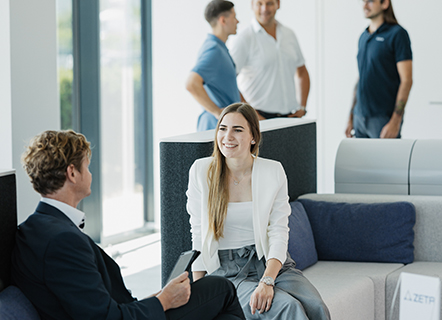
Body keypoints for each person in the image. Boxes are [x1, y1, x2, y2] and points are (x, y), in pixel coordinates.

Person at [12, 129, 245, 320]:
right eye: (87, 166)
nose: (90, 173)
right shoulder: (62, 240)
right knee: (220, 288)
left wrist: (157, 298)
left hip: (127, 309)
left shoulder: (33, 227)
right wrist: (163, 301)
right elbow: (105, 317)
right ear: (72, 173)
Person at [186, 103, 330, 319]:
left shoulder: (273, 171)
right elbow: (197, 233)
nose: (227, 136)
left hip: (270, 263)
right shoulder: (201, 171)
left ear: (253, 136)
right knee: (287, 308)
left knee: (316, 306)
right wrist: (199, 293)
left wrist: (267, 280)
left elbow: (279, 233)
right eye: (223, 128)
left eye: (238, 129)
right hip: (227, 271)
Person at [227, 0, 310, 120]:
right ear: (252, 5)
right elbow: (229, 80)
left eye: (269, 3)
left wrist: (302, 107)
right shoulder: (244, 38)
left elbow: (302, 71)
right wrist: (250, 113)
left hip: (291, 117)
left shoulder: (289, 34)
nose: (264, 9)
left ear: (278, 4)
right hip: (259, 117)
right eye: (259, 3)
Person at [345, 0, 413, 138]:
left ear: (385, 4)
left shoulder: (397, 34)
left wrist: (395, 121)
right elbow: (361, 77)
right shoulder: (363, 37)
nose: (364, 5)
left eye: (370, 1)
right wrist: (351, 116)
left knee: (386, 160)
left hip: (383, 119)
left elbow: (406, 80)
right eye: (363, 1)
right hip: (360, 117)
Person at [186, 0, 241, 131]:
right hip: (215, 127)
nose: (237, 21)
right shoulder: (213, 50)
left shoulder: (220, 48)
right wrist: (217, 112)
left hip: (226, 126)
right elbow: (191, 84)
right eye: (234, 17)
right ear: (223, 20)